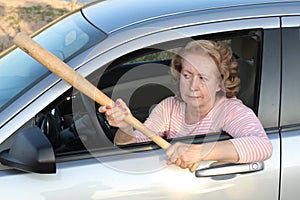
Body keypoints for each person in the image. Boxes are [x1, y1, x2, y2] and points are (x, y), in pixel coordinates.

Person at [99, 40, 273, 170]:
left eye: (203, 78)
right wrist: (125, 128)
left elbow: (262, 146)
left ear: (220, 83)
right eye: (187, 75)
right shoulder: (169, 107)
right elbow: (131, 147)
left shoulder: (229, 110)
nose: (192, 86)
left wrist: (199, 152)